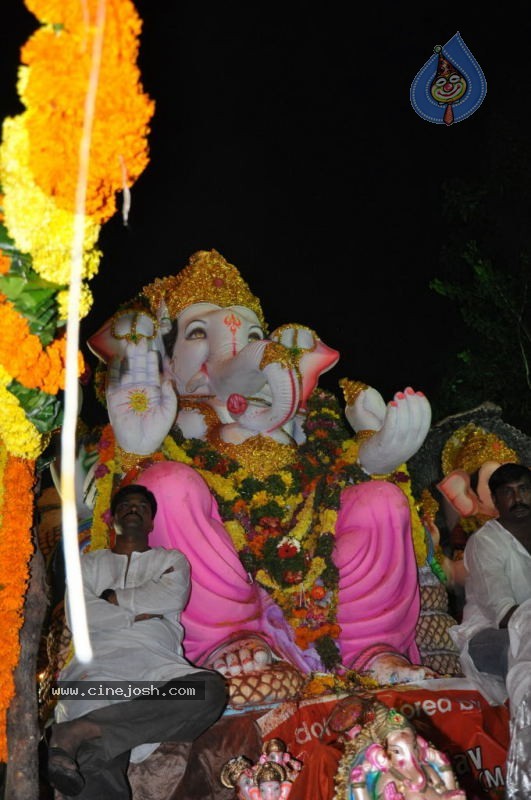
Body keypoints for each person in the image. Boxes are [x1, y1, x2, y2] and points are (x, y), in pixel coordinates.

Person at [46, 483, 228, 799]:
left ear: (151, 523)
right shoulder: (88, 565)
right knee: (97, 764)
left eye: (142, 506)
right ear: (113, 517)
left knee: (209, 690)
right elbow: (81, 617)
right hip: (98, 675)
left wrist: (114, 598)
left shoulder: (171, 560)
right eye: (127, 505)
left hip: (156, 674)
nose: (134, 509)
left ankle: (83, 729)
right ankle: (92, 730)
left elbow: (171, 595)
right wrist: (139, 614)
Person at [450, 462, 531, 703]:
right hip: (487, 637)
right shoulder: (485, 543)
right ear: (495, 500)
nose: (518, 498)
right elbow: (504, 615)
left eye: (524, 489)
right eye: (508, 492)